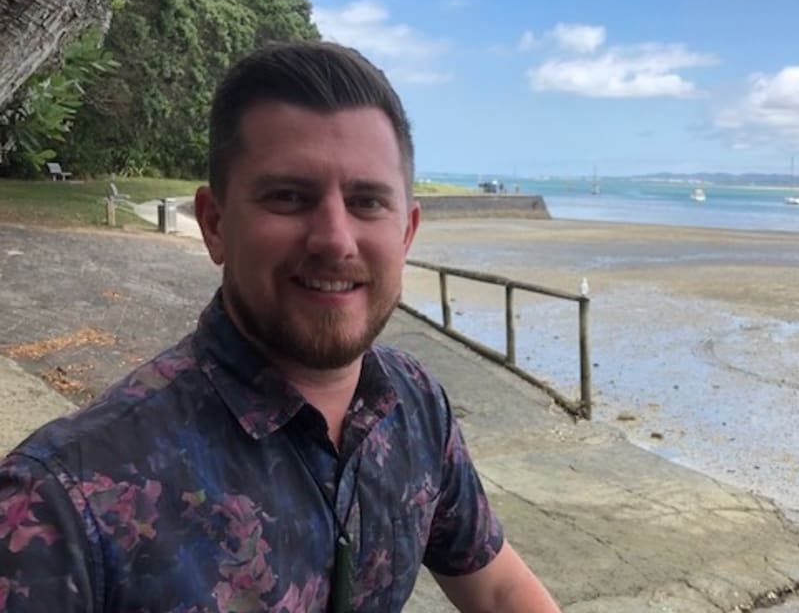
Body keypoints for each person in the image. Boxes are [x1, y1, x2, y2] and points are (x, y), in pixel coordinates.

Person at [0, 41, 559, 612]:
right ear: (215, 225)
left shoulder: (414, 410)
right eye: (289, 197)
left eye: (367, 202)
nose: (336, 240)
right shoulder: (57, 507)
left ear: (407, 233)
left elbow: (498, 589)